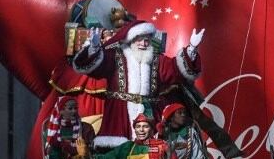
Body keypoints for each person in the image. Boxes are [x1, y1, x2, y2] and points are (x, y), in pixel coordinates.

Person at [72, 19, 204, 147]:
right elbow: (95, 67)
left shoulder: (157, 60)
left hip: (149, 113)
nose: (144, 43)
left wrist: (191, 48)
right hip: (119, 113)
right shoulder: (115, 56)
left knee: (152, 151)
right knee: (118, 154)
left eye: (147, 40)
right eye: (140, 39)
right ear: (131, 40)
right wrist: (93, 48)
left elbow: (175, 70)